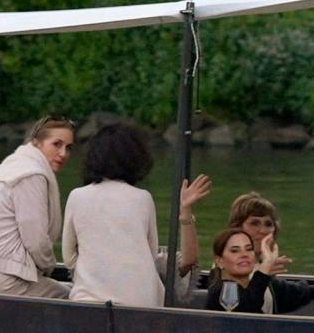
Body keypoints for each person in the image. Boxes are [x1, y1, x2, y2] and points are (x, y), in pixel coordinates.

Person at [62, 121, 212, 307]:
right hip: (143, 302)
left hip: (90, 300)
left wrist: (95, 270)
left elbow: (68, 258)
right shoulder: (143, 198)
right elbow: (150, 252)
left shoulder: (77, 196)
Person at [0, 115, 74, 298]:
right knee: (74, 297)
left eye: (68, 148)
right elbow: (36, 240)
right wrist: (48, 267)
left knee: (66, 288)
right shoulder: (32, 175)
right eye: (57, 144)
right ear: (36, 143)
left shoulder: (9, 168)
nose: (63, 153)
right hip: (1, 280)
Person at [195, 228, 294, 314]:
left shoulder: (247, 289)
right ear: (219, 261)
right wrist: (265, 266)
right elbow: (245, 312)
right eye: (235, 250)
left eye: (249, 249)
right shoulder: (225, 290)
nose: (244, 254)